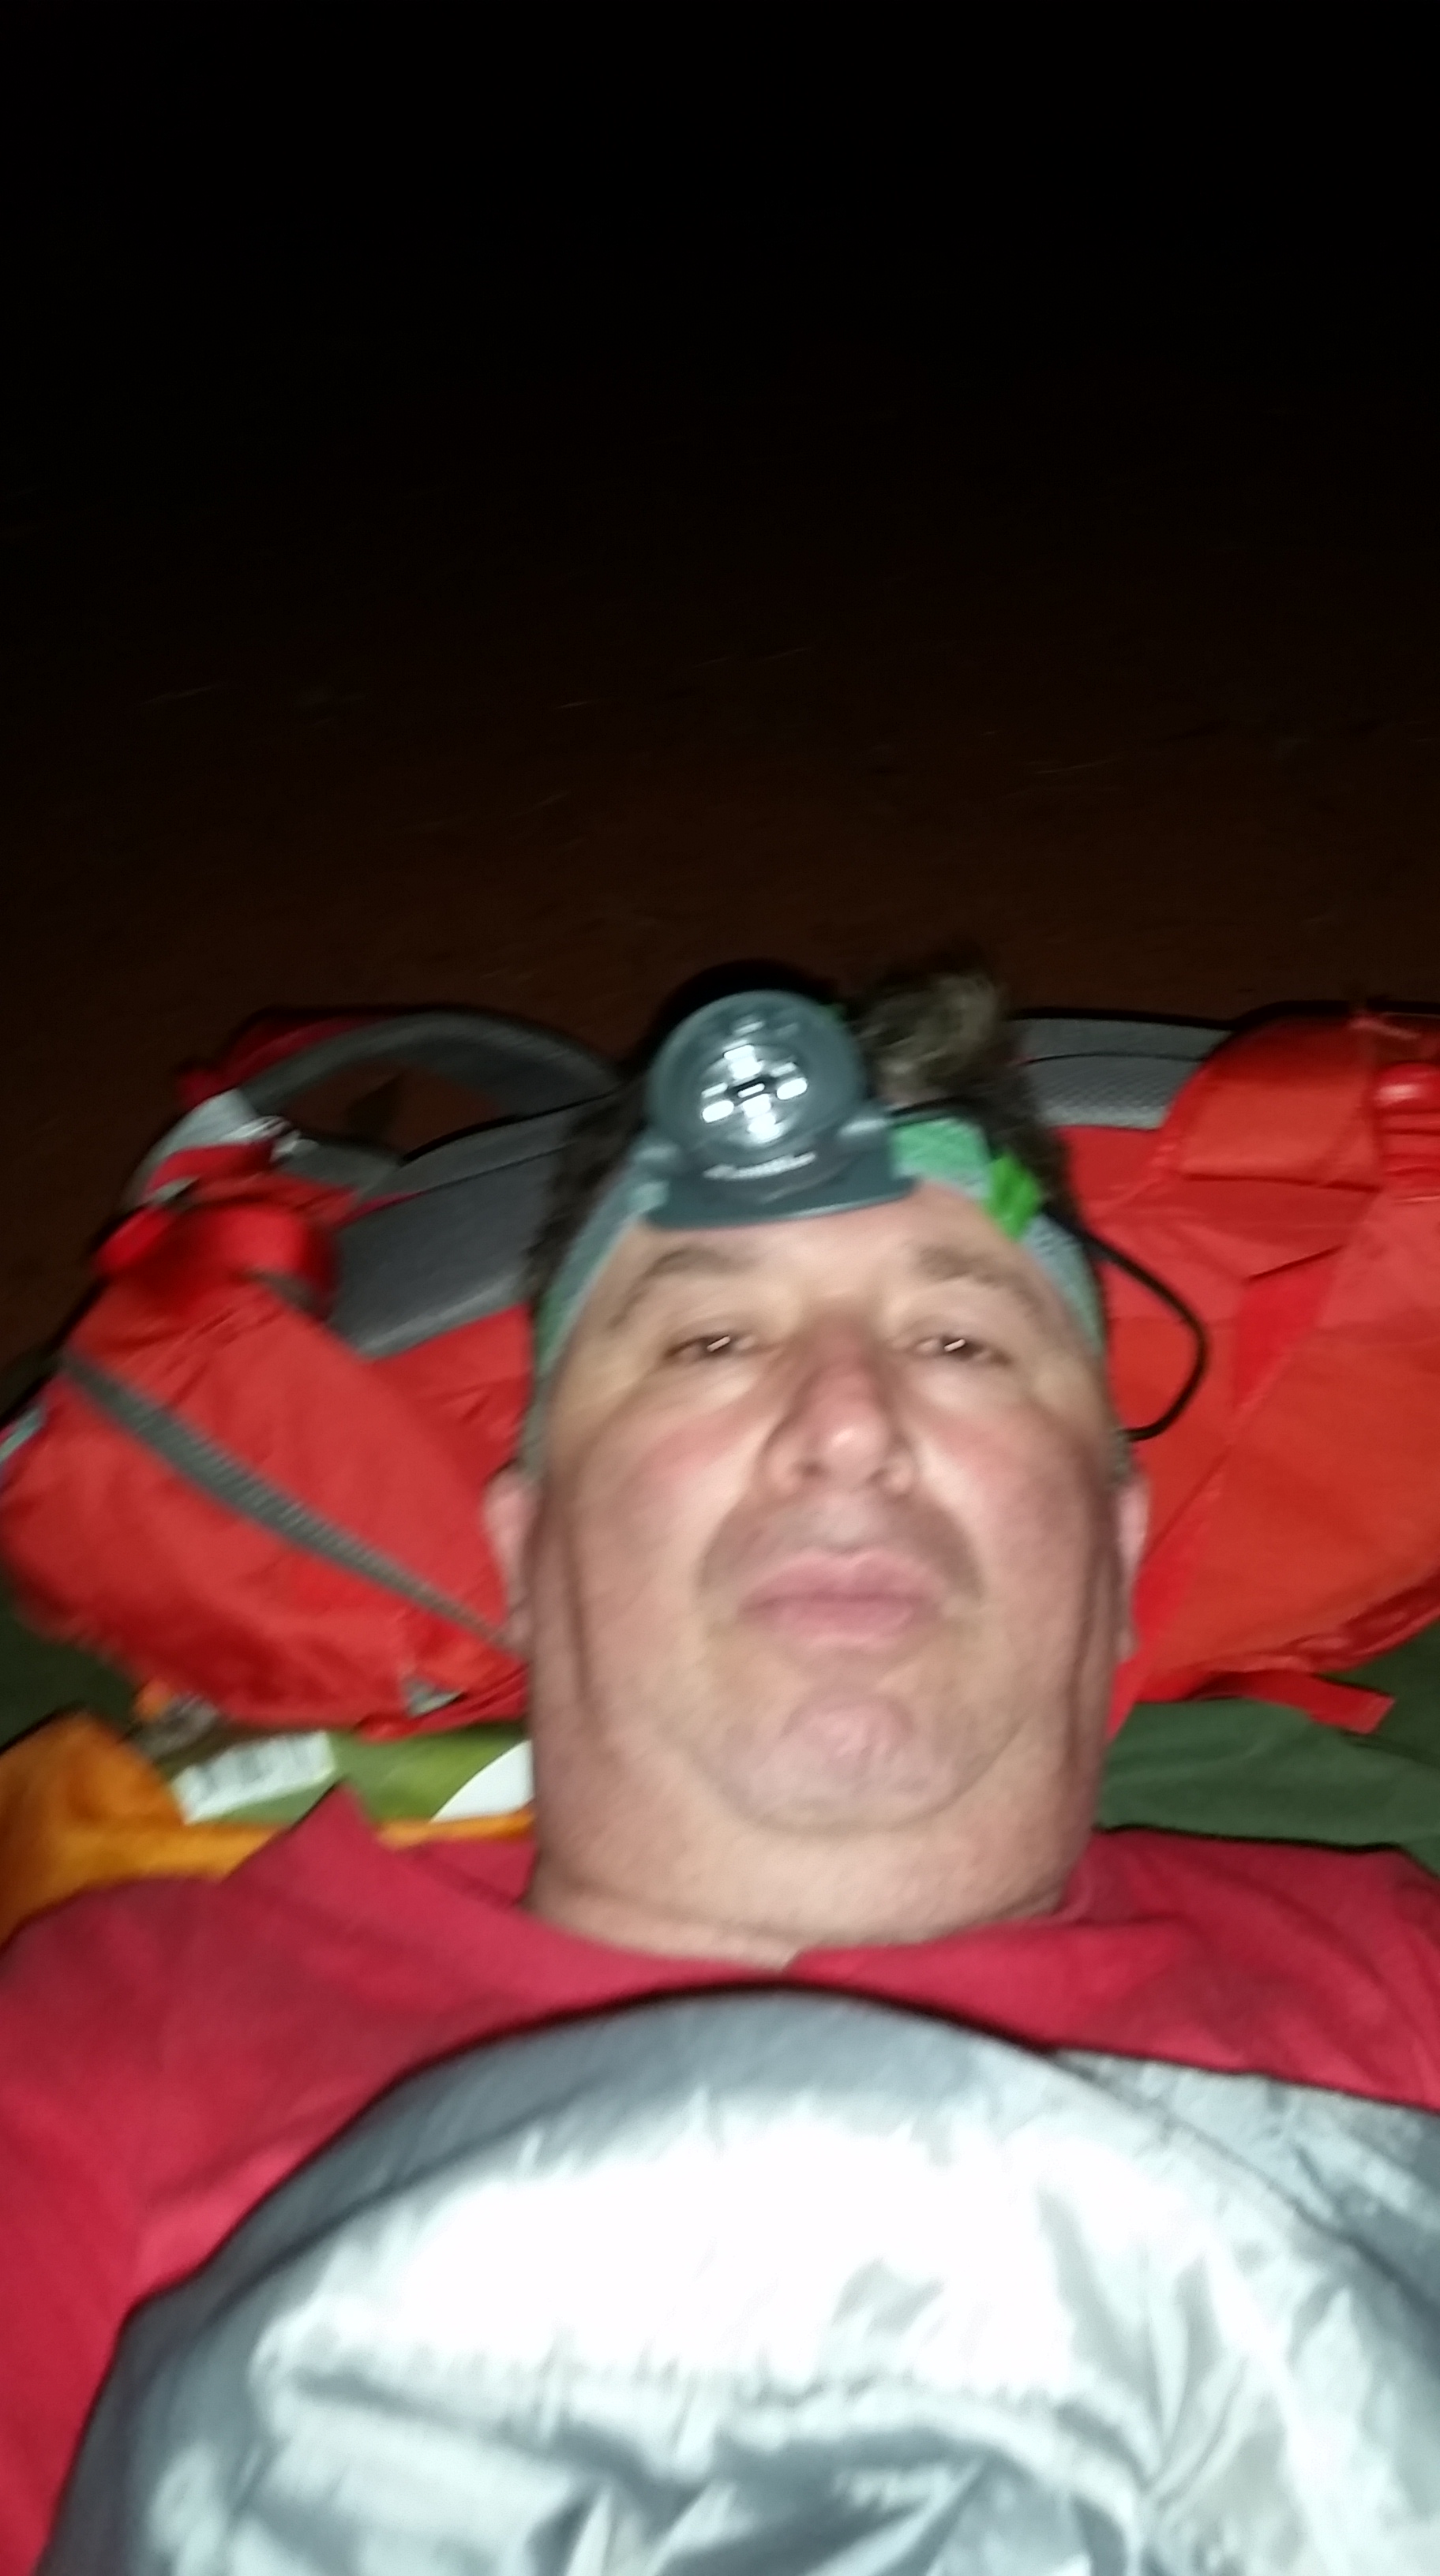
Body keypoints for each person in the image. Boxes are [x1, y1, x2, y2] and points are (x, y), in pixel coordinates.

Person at [6, 965, 1440, 2571]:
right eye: (708, 1340)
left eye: (960, 1339)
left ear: (1116, 1560)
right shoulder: (123, 2029)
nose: (846, 1423)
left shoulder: (1394, 1970)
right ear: (525, 1556)